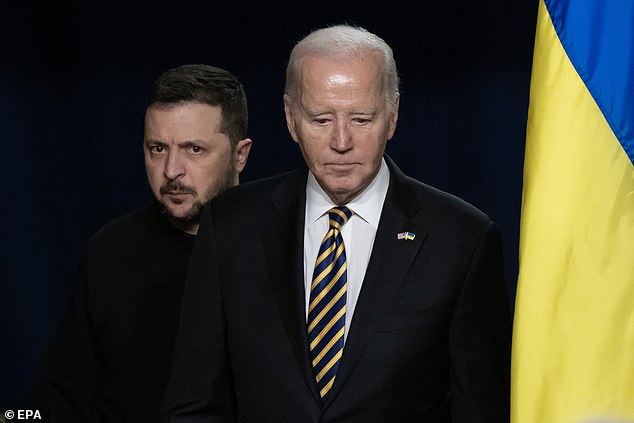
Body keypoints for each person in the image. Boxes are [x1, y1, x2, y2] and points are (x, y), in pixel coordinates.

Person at [163, 25, 511, 422]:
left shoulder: (461, 240)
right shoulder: (230, 226)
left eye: (361, 119)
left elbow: (483, 411)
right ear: (291, 119)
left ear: (392, 116)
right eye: (321, 119)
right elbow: (193, 405)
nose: (341, 141)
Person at [38, 64, 252, 422]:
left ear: (240, 155)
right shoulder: (111, 252)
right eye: (157, 149)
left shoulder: (278, 249)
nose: (171, 170)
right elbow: (61, 395)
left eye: (194, 150)